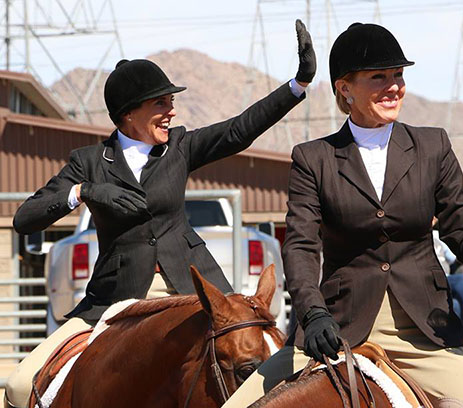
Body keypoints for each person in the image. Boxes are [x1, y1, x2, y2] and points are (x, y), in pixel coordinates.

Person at [5, 20, 316, 408]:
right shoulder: (87, 163)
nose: (171, 110)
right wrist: (84, 191)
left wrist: (297, 85)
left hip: (193, 292)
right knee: (18, 386)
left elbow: (239, 130)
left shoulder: (180, 147)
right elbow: (24, 218)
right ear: (129, 114)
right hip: (116, 301)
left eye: (171, 102)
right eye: (161, 103)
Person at [222, 22, 463, 408]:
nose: (394, 86)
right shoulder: (313, 158)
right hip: (338, 327)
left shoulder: (433, 146)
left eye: (398, 75)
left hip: (421, 330)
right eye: (379, 77)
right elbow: (301, 247)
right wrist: (312, 315)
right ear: (345, 88)